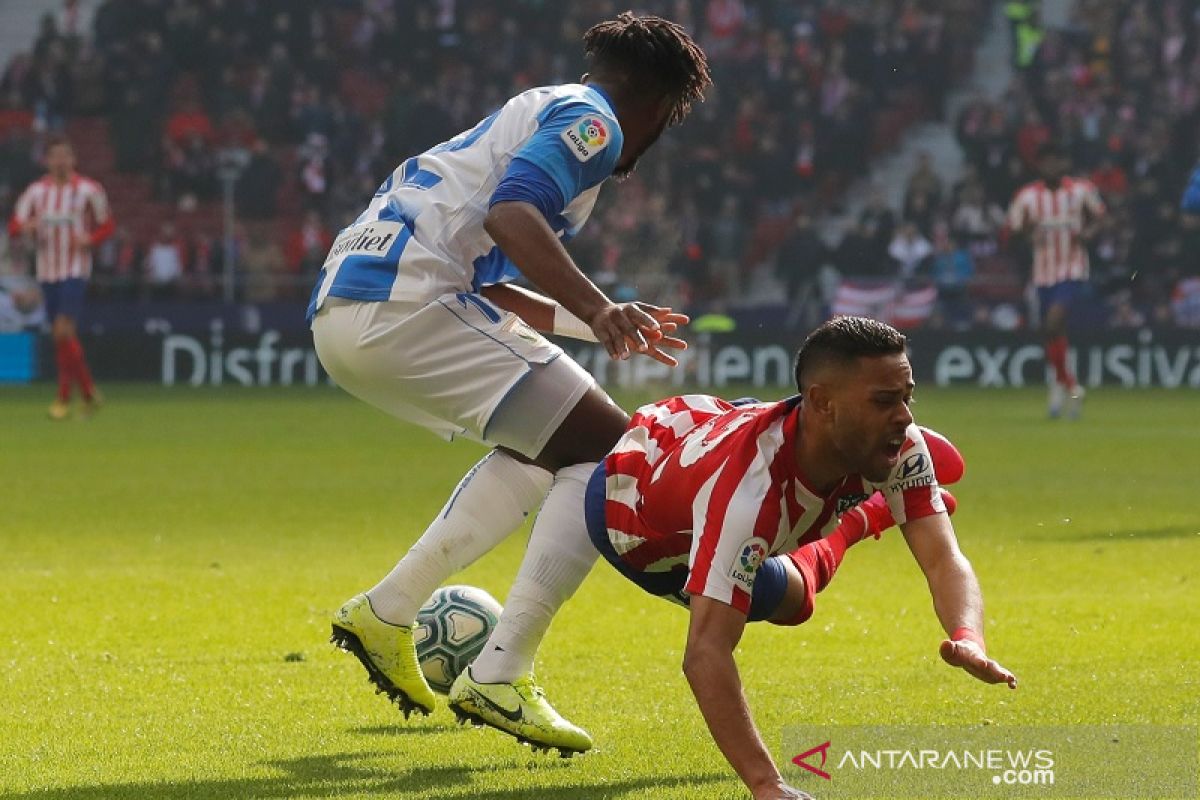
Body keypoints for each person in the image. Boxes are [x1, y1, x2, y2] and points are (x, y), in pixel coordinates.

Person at [312, 13, 710, 755]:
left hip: (351, 308)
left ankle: (390, 610)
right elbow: (512, 214)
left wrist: (603, 325)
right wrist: (599, 304)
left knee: (552, 447)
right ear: (655, 108)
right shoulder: (595, 122)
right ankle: (501, 673)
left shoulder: (532, 110)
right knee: (611, 453)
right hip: (406, 304)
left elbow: (493, 279)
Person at [581, 316, 1016, 799]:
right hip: (632, 512)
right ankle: (861, 517)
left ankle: (875, 497)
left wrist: (967, 636)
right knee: (792, 601)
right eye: (884, 401)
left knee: (857, 487)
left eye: (907, 398)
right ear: (823, 402)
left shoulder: (902, 443)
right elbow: (705, 653)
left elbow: (943, 558)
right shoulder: (747, 498)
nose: (906, 419)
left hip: (724, 428)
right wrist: (768, 785)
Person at [8, 135, 114, 420]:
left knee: (62, 332)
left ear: (73, 159)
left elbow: (107, 225)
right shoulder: (35, 192)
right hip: (47, 270)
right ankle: (89, 393)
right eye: (55, 156)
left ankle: (63, 397)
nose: (60, 161)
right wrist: (27, 227)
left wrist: (90, 240)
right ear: (47, 160)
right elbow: (15, 225)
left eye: (65, 156)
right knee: (62, 337)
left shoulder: (89, 190)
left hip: (75, 269)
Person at [1007, 142, 1104, 418]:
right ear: (1039, 166)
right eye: (1046, 161)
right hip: (1042, 273)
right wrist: (1028, 235)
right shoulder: (1027, 197)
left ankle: (1066, 384)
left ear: (1063, 164)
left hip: (1072, 269)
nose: (1052, 166)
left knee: (1053, 322)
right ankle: (1066, 384)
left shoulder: (1081, 191)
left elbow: (1101, 218)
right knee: (1053, 332)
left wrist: (1088, 234)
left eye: (1056, 161)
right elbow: (1012, 230)